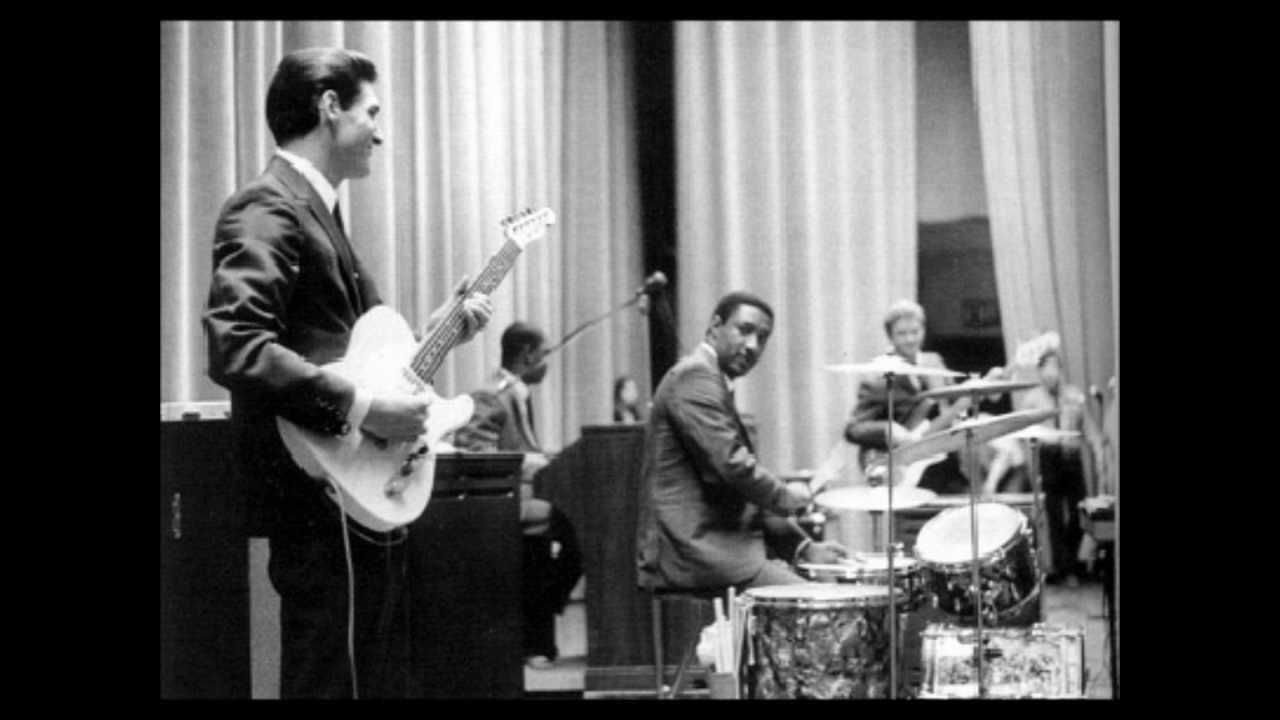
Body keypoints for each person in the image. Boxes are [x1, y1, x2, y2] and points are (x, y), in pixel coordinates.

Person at [202, 47, 492, 699]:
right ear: (330, 107)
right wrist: (363, 409)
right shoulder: (267, 206)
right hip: (315, 496)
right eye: (373, 112)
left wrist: (439, 330)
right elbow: (235, 343)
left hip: (346, 491)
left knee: (361, 675)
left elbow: (357, 359)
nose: (380, 132)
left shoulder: (315, 213)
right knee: (331, 677)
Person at [637, 291, 848, 592]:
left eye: (762, 338)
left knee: (829, 598)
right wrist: (787, 495)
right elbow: (733, 467)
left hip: (717, 552)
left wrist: (803, 548)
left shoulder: (711, 378)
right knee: (822, 605)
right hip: (696, 556)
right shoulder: (695, 376)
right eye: (745, 330)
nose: (753, 346)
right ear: (715, 327)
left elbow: (742, 493)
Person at [452, 322, 583, 667]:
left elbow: (525, 450)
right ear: (526, 355)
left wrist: (546, 460)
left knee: (579, 530)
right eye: (545, 354)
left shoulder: (517, 392)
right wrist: (532, 462)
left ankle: (537, 627)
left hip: (523, 499)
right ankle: (536, 634)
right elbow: (476, 458)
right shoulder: (489, 395)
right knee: (574, 528)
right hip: (498, 506)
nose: (547, 363)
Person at [843, 300, 977, 494]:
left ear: (923, 330)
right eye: (902, 334)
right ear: (890, 337)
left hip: (940, 463)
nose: (910, 339)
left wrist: (981, 392)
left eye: (915, 331)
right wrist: (888, 429)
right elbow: (853, 429)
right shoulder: (878, 377)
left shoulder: (935, 363)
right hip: (901, 470)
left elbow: (952, 407)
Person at [1016, 348, 1104, 585]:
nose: (1051, 373)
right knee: (1053, 515)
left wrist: (1098, 452)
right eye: (1046, 368)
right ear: (1039, 372)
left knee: (1078, 512)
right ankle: (1063, 568)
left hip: (1071, 457)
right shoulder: (1032, 399)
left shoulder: (1074, 395)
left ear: (1061, 370)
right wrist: (1030, 465)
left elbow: (1088, 427)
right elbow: (1022, 434)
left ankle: (1073, 562)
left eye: (1055, 367)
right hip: (1048, 458)